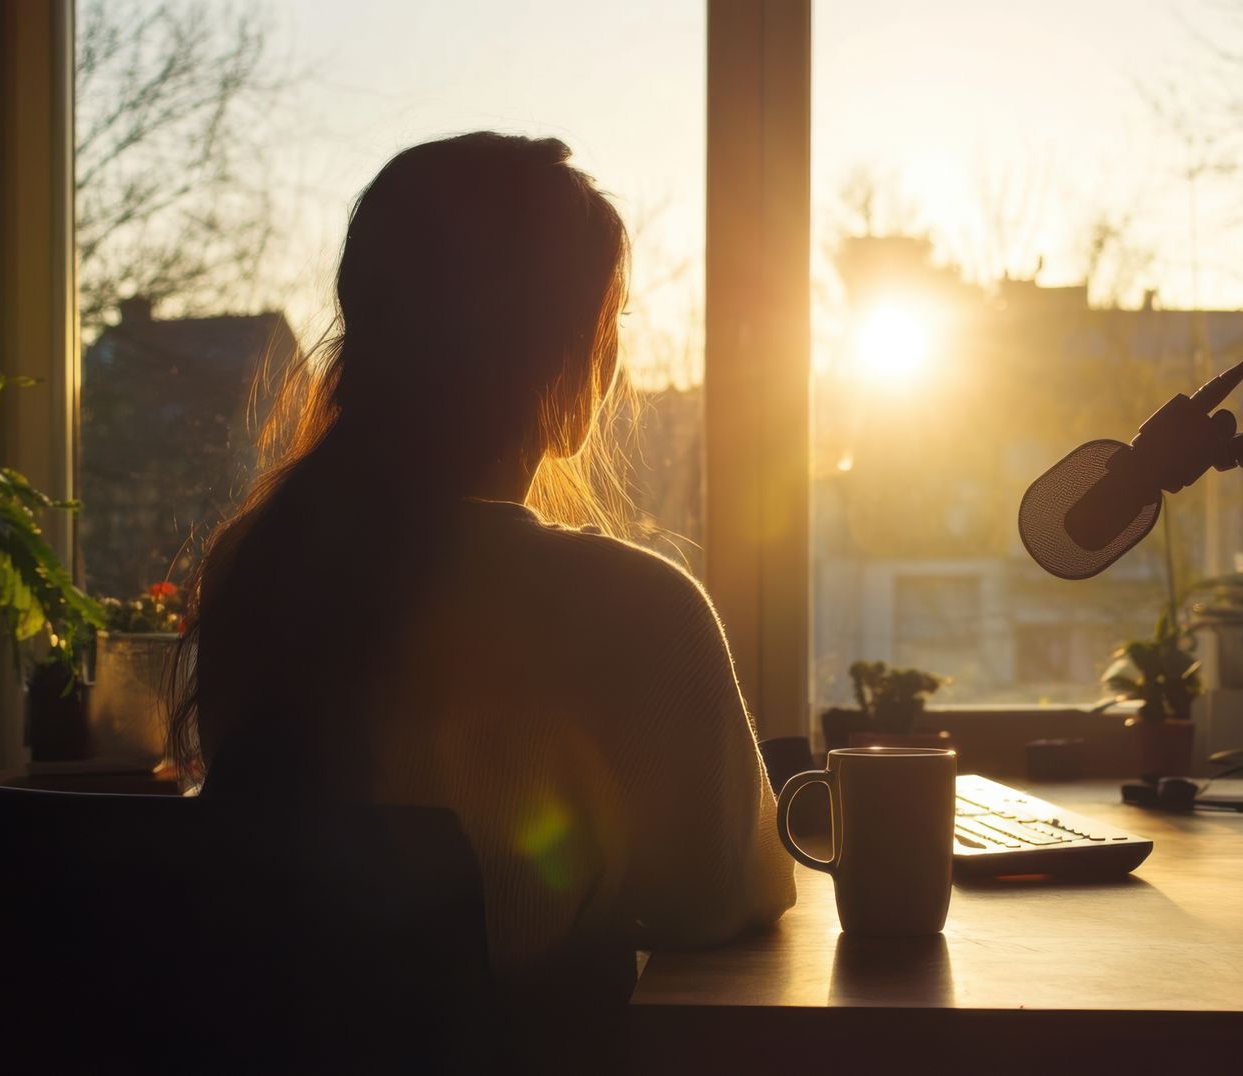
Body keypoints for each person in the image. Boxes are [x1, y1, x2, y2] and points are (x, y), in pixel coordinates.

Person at [167, 132, 795, 980]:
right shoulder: (639, 609)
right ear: (568, 355)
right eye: (611, 323)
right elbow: (717, 897)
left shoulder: (258, 560)